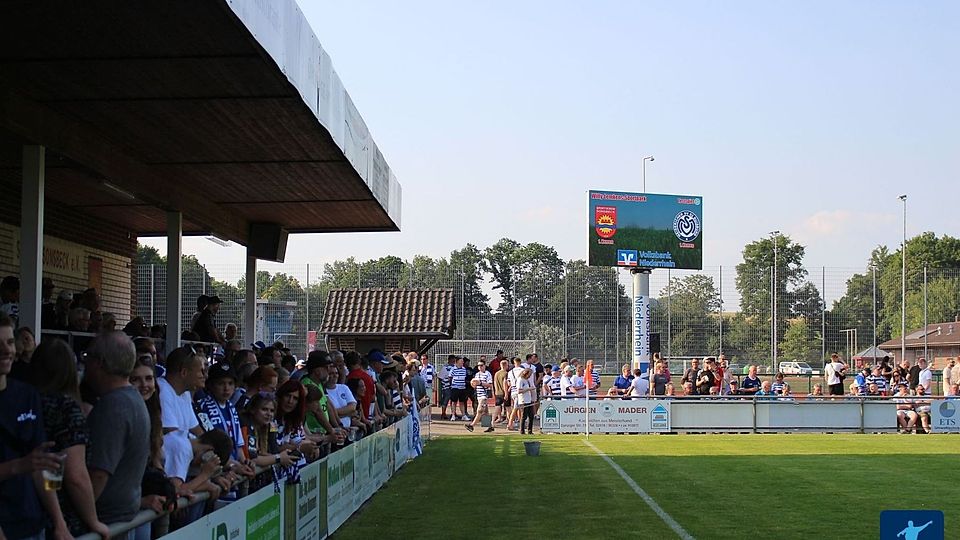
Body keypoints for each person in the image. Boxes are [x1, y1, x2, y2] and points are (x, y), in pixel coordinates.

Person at [0, 313, 74, 540]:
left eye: (10, 342)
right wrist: (19, 465)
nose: (7, 350)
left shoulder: (27, 394)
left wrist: (60, 524)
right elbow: (28, 463)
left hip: (33, 525)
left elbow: (42, 465)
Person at [29, 339, 111, 538]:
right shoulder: (65, 408)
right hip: (63, 522)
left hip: (26, 510)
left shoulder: (25, 401)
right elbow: (75, 475)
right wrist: (93, 520)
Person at [84, 331, 152, 533]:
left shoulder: (113, 406)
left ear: (100, 363)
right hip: (120, 518)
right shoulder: (132, 399)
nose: (84, 365)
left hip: (105, 521)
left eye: (88, 358)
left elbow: (98, 474)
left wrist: (79, 515)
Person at [466, 360, 494, 433]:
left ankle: (472, 425)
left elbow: (490, 385)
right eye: (479, 365)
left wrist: (481, 383)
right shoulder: (477, 374)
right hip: (478, 395)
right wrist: (473, 384)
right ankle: (490, 426)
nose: (480, 367)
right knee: (485, 412)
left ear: (484, 366)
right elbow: (474, 384)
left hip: (484, 395)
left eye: (481, 365)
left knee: (479, 410)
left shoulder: (488, 374)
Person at [515, 368, 537, 435]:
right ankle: (522, 431)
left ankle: (530, 430)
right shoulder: (520, 380)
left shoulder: (526, 380)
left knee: (531, 415)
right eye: (529, 374)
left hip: (529, 400)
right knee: (524, 416)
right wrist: (529, 389)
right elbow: (519, 391)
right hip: (523, 400)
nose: (530, 376)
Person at [448, 356, 470, 421]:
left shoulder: (464, 369)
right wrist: (452, 385)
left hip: (462, 388)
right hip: (455, 388)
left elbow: (465, 378)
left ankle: (463, 415)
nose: (462, 362)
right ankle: (453, 415)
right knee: (454, 402)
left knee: (462, 402)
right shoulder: (453, 369)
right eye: (461, 361)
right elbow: (450, 378)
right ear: (457, 362)